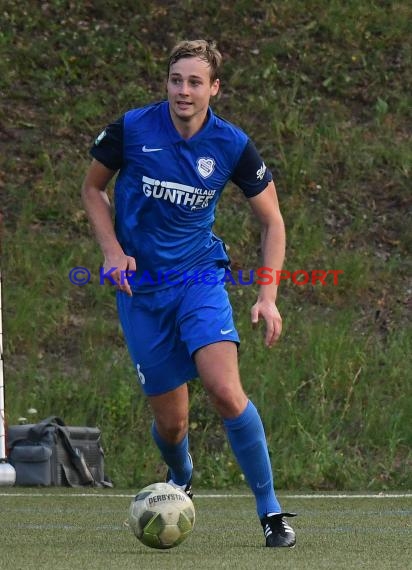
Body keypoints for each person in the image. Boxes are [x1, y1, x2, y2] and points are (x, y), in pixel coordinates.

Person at [82, 39, 296, 548]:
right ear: (167, 83)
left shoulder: (232, 145)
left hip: (200, 277)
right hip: (141, 292)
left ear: (214, 88)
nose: (184, 90)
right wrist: (112, 252)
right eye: (176, 79)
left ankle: (271, 513)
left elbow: (273, 222)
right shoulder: (132, 129)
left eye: (195, 81)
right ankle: (181, 475)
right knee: (173, 425)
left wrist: (267, 295)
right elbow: (93, 189)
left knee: (224, 390)